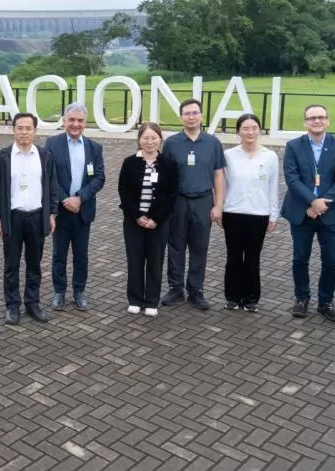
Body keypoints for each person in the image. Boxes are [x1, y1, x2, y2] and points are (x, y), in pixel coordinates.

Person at [280, 104, 335, 322]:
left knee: (331, 261)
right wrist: (312, 201)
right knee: (300, 258)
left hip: (329, 213)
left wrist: (323, 203)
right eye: (312, 118)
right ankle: (302, 298)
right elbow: (292, 178)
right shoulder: (293, 146)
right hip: (301, 212)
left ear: (328, 120)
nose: (316, 121)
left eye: (321, 117)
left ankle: (326, 301)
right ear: (305, 122)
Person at [0, 112, 58, 325]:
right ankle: (12, 306)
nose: (24, 132)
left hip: (37, 216)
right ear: (14, 130)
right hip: (13, 217)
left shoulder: (45, 156)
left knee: (34, 263)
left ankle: (32, 302)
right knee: (11, 264)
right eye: (20, 128)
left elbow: (52, 187)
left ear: (35, 131)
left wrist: (52, 213)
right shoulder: (2, 157)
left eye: (29, 128)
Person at [160, 99, 225, 310]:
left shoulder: (212, 143)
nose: (191, 117)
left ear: (201, 116)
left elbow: (218, 174)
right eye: (187, 113)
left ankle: (196, 290)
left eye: (195, 113)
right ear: (181, 117)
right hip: (178, 201)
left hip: (203, 200)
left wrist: (218, 205)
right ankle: (176, 288)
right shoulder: (171, 143)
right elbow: (165, 176)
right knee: (176, 246)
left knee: (200, 247)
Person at [45, 102, 106, 311]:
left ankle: (79, 291)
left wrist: (79, 198)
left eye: (80, 120)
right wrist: (65, 200)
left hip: (83, 211)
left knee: (81, 255)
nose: (75, 124)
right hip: (61, 211)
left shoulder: (94, 147)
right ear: (64, 121)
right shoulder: (52, 144)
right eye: (71, 120)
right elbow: (49, 176)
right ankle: (59, 292)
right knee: (58, 255)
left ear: (85, 123)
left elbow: (99, 177)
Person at [221, 114, 280, 313]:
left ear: (260, 130)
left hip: (259, 214)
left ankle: (251, 298)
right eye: (245, 128)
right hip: (233, 212)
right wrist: (219, 208)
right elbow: (223, 185)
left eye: (254, 127)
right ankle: (232, 296)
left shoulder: (270, 156)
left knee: (253, 258)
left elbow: (273, 186)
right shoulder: (228, 155)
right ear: (238, 131)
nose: (250, 132)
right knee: (234, 256)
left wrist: (273, 214)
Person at [118, 122, 177, 316]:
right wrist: (137, 216)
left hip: (158, 224)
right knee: (135, 261)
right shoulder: (129, 162)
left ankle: (151, 300)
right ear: (139, 140)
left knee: (155, 261)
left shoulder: (169, 163)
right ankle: (135, 299)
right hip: (134, 222)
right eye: (145, 138)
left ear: (160, 139)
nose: (149, 142)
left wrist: (155, 219)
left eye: (153, 138)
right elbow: (123, 193)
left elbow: (171, 195)